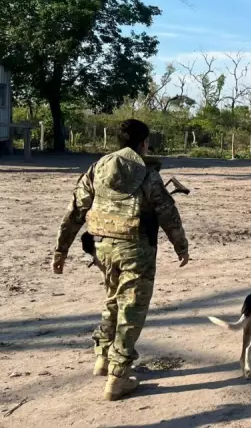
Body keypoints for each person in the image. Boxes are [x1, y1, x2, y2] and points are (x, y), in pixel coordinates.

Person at [52, 119, 189, 401]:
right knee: (132, 310)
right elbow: (167, 212)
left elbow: (76, 208)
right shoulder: (147, 173)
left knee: (112, 300)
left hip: (102, 248)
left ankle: (103, 358)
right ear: (143, 143)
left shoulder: (98, 167)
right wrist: (181, 246)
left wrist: (61, 249)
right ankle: (118, 376)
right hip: (136, 249)